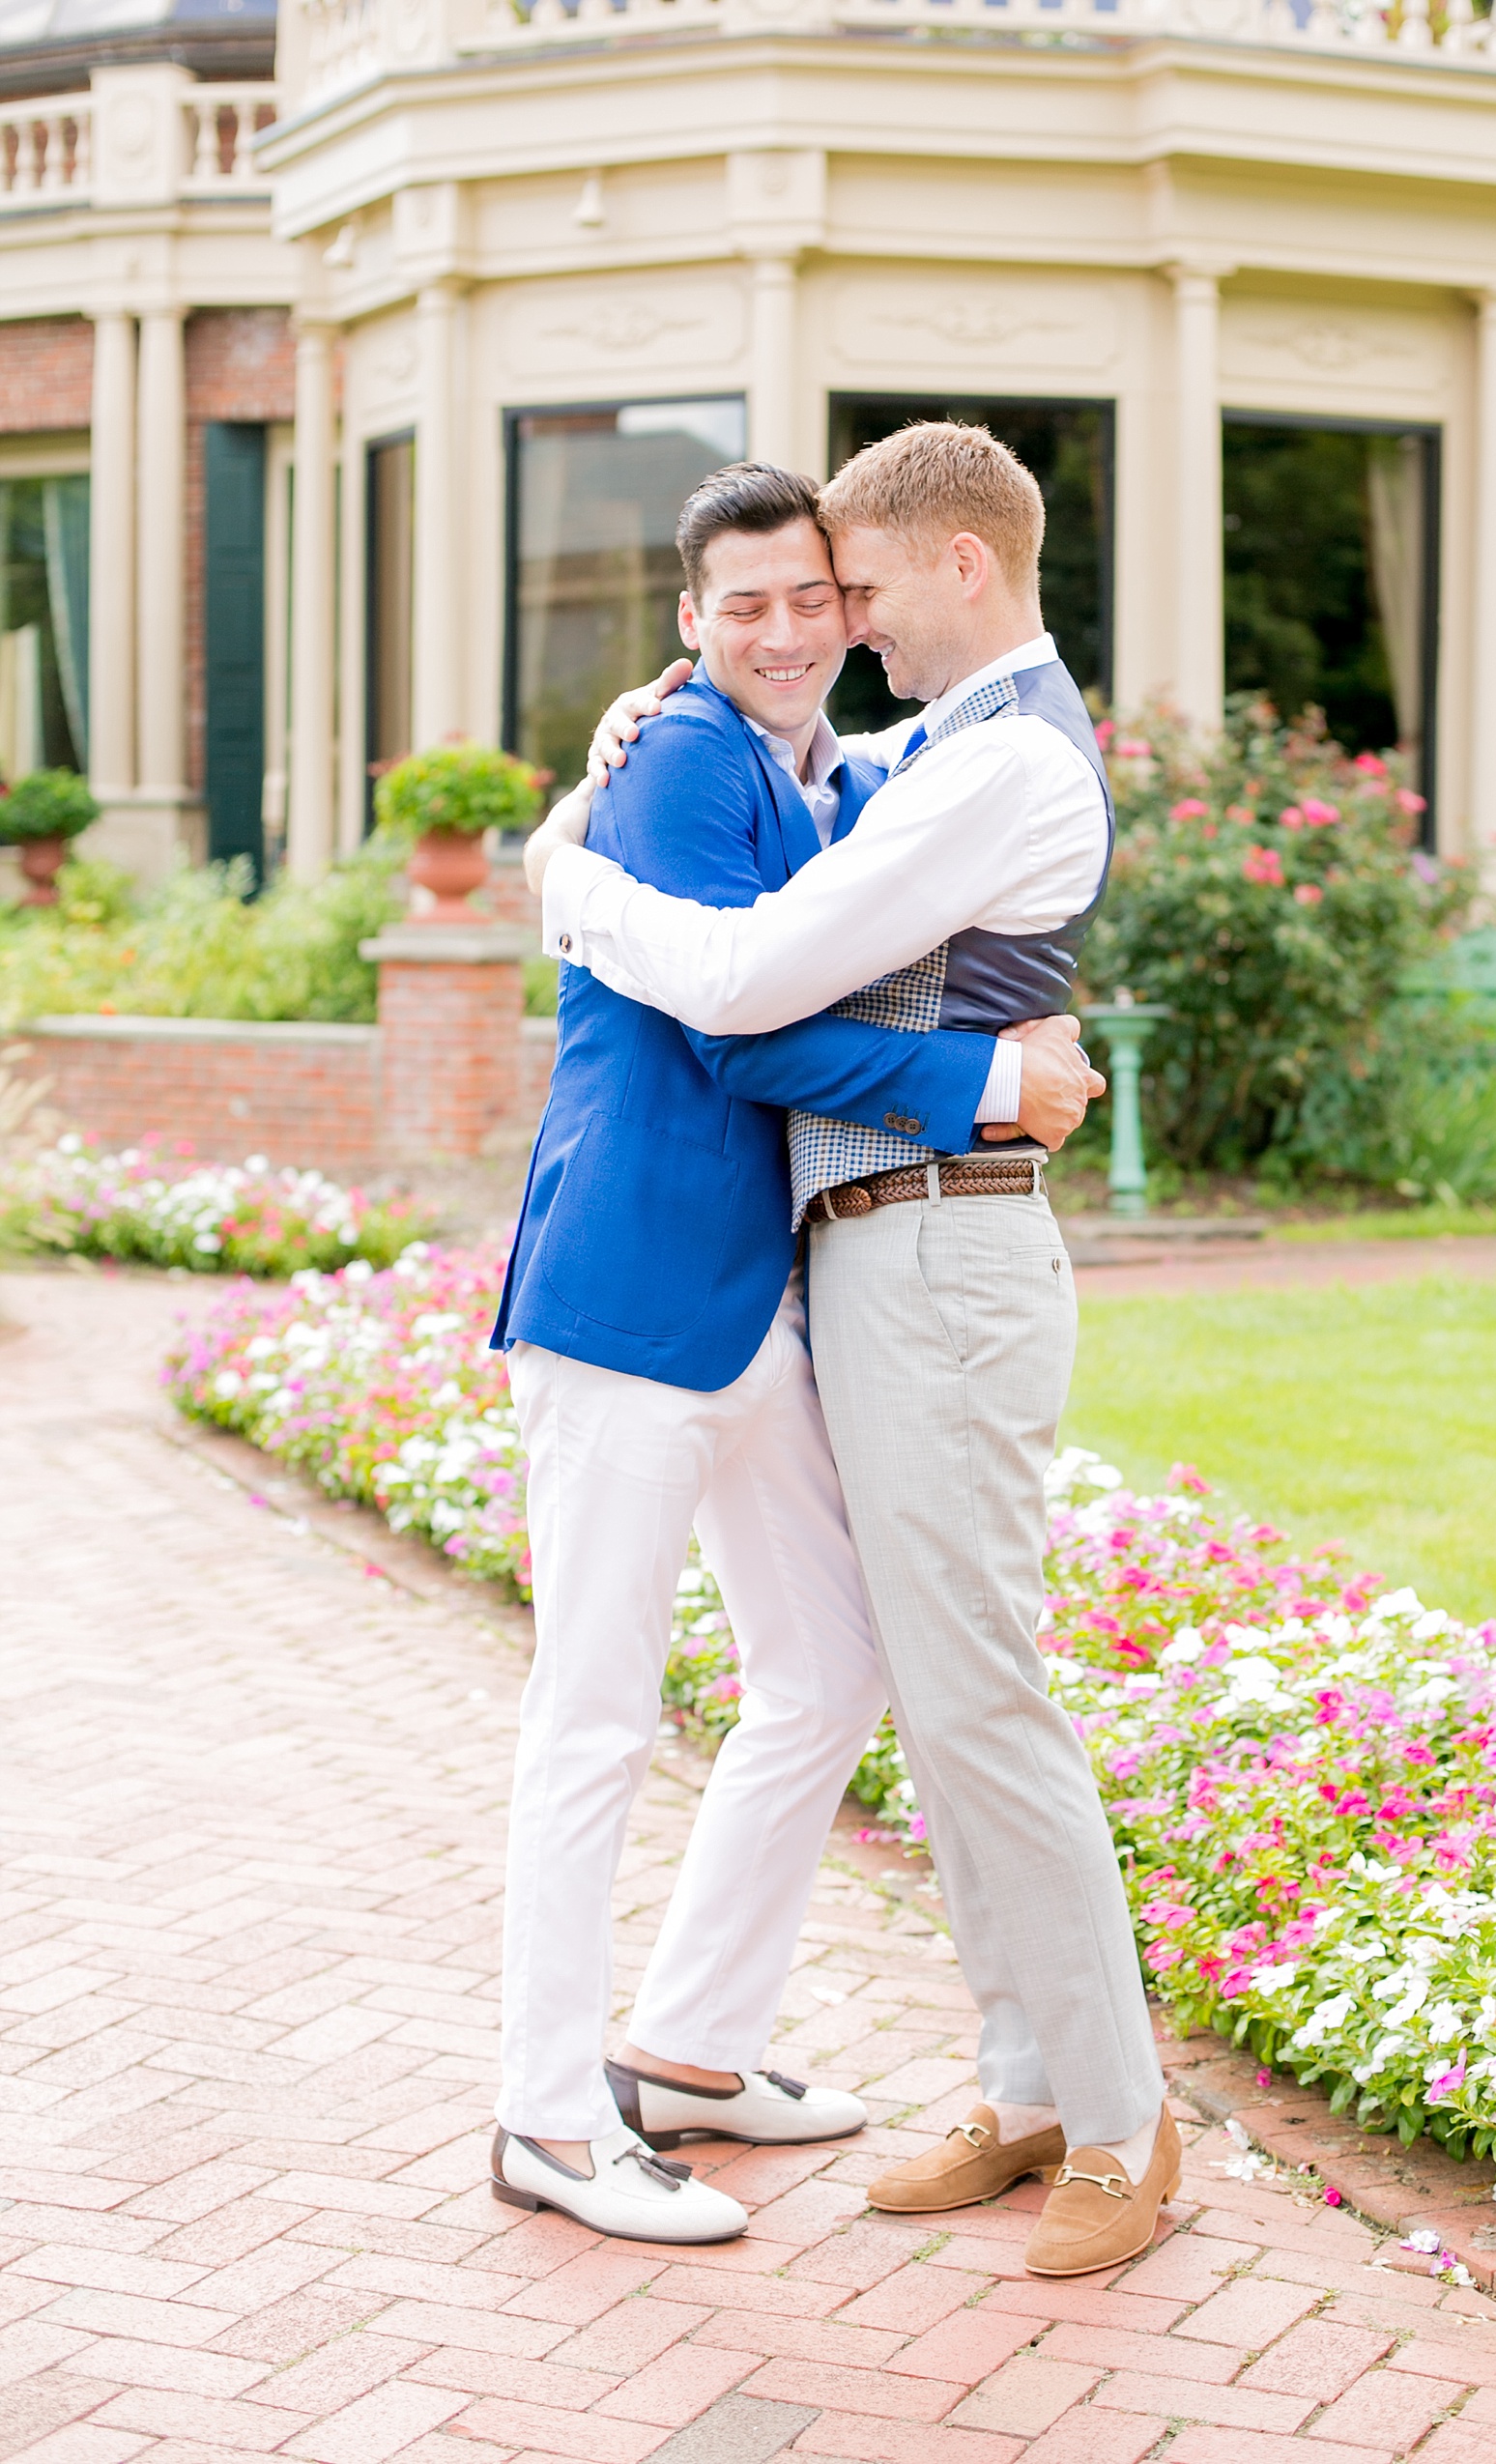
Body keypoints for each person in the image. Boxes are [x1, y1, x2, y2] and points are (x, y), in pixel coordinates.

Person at [531, 422, 1176, 2279]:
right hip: (887, 1259)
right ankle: (1029, 2080)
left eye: (865, 591)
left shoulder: (997, 769)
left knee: (980, 1687)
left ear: (959, 569)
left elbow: (747, 986)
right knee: (934, 1675)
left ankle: (1123, 2125)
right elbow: (811, 746)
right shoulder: (945, 744)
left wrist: (567, 878)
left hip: (948, 1256)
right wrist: (649, 722)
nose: (850, 628)